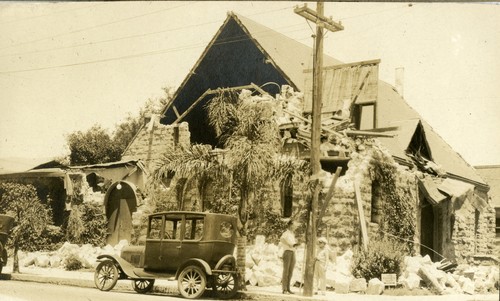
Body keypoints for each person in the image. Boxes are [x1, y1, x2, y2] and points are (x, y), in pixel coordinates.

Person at [280, 220, 297, 294]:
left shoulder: (292, 234)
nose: (294, 227)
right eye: (293, 225)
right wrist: (288, 244)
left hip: (293, 252)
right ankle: (284, 289)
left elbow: (293, 244)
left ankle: (288, 288)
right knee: (286, 271)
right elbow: (282, 239)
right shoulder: (286, 233)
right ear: (290, 225)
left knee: (290, 271)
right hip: (287, 252)